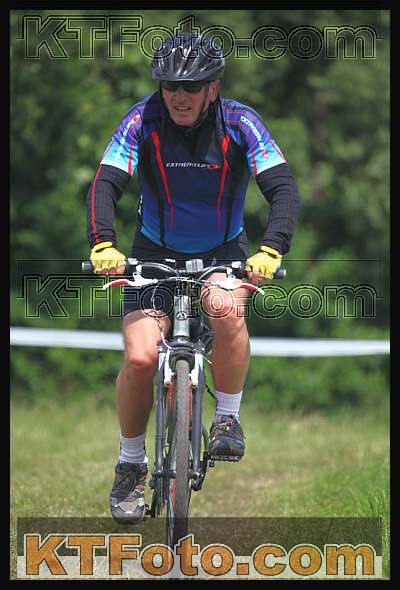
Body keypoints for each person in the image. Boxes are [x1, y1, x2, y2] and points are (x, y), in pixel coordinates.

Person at [87, 32, 300, 525]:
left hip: (222, 250)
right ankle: (130, 464)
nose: (179, 96)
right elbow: (106, 183)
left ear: (213, 87)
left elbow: (283, 189)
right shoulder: (141, 120)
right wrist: (103, 243)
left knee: (225, 309)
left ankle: (227, 416)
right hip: (153, 251)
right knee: (140, 357)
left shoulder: (242, 123)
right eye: (170, 86)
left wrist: (271, 249)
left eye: (192, 86)